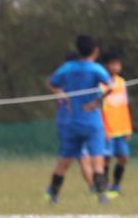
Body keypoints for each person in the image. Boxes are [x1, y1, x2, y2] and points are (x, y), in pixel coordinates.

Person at [45, 36, 112, 204]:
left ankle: (53, 195)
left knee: (63, 162)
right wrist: (97, 102)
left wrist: (60, 93)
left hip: (71, 121)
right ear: (95, 51)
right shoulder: (96, 69)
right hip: (92, 122)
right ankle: (102, 196)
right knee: (97, 160)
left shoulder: (67, 68)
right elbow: (110, 86)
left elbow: (51, 83)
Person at [99, 51, 132, 195]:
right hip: (107, 128)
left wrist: (128, 128)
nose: (117, 66)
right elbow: (99, 107)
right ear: (107, 65)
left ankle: (116, 185)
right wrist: (103, 128)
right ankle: (104, 186)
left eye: (118, 63)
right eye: (114, 64)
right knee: (106, 158)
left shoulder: (121, 82)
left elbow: (124, 106)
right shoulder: (101, 84)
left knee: (124, 157)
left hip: (121, 128)